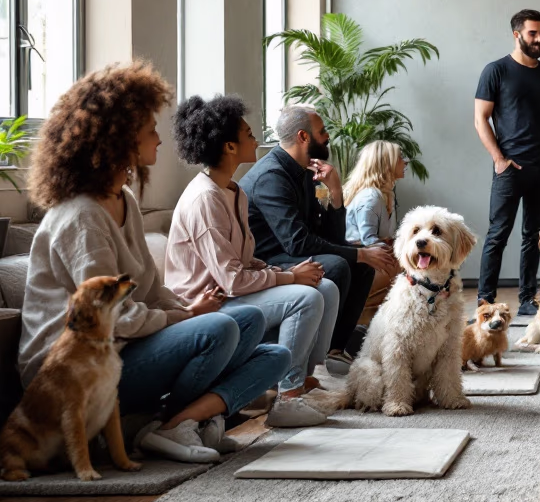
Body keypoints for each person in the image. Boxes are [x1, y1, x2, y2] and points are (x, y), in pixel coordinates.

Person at [19, 62, 284, 464]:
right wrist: (187, 317)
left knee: (264, 341)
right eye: (149, 130)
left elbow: (151, 288)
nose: (159, 139)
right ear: (120, 140)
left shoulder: (124, 199)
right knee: (221, 327)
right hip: (74, 372)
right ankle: (168, 426)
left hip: (123, 350)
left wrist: (182, 310)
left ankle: (177, 425)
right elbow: (118, 318)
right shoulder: (82, 217)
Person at [167, 95, 340, 427]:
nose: (257, 140)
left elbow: (246, 262)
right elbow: (231, 280)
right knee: (305, 298)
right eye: (248, 134)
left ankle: (299, 379)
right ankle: (287, 398)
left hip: (233, 293)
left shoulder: (234, 191)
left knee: (326, 286)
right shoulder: (205, 198)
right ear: (230, 147)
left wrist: (285, 271)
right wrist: (289, 278)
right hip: (209, 304)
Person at [240, 105, 396, 375]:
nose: (327, 137)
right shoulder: (272, 177)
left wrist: (335, 191)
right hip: (267, 262)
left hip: (290, 253)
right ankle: (316, 356)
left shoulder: (301, 171)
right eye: (322, 131)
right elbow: (298, 243)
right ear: (303, 137)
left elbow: (329, 236)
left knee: (360, 264)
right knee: (337, 265)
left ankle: (336, 349)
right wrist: (360, 253)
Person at [474, 8, 540, 315]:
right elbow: (480, 119)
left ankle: (527, 299)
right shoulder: (496, 71)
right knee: (498, 234)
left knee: (534, 236)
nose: (539, 39)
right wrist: (499, 159)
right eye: (532, 33)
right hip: (510, 169)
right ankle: (485, 300)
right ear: (517, 35)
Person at [344, 140, 407, 324]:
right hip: (362, 260)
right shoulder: (370, 197)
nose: (405, 162)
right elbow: (368, 240)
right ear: (386, 164)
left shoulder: (385, 194)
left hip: (373, 255)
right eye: (400, 158)